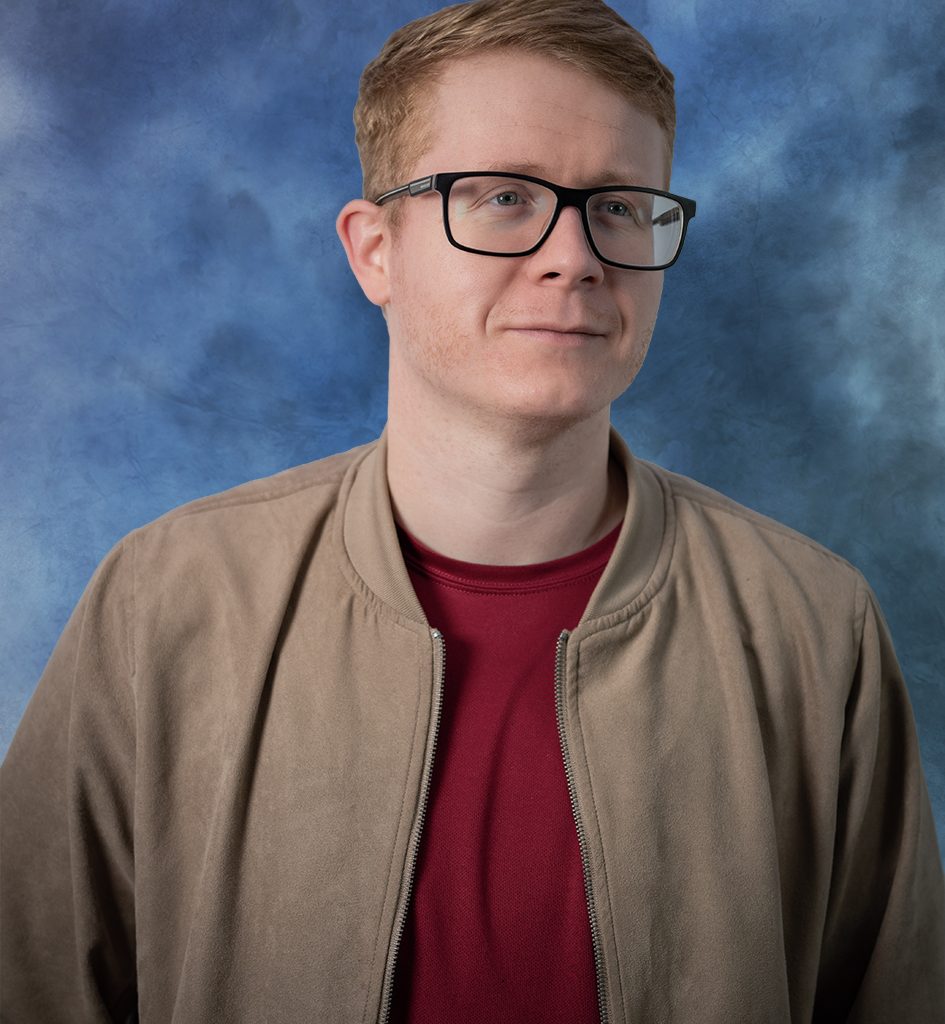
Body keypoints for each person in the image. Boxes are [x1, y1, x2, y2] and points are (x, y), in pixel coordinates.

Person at [2, 0, 943, 1020]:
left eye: (622, 205)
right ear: (375, 252)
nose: (575, 255)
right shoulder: (166, 603)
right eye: (502, 197)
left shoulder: (813, 627)